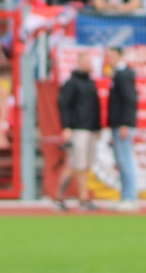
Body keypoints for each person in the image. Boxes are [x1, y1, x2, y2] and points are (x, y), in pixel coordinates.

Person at [56, 54, 103, 212]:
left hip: (89, 128)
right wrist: (66, 126)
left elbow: (95, 106)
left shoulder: (90, 82)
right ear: (79, 63)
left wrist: (97, 127)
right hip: (77, 129)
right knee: (76, 165)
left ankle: (74, 198)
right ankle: (69, 198)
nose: (89, 65)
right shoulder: (71, 83)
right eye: (86, 62)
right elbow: (64, 105)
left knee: (81, 165)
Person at [105, 46, 140, 212]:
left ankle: (130, 197)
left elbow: (130, 100)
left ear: (120, 56)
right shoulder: (118, 74)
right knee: (121, 162)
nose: (109, 59)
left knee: (125, 161)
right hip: (118, 124)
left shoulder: (124, 75)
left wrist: (125, 123)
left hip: (122, 125)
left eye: (112, 56)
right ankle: (125, 196)